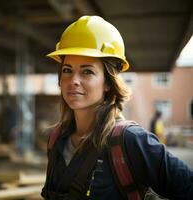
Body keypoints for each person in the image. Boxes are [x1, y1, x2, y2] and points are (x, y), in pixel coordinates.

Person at [41, 16, 193, 200]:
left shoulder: (130, 141)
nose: (73, 80)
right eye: (67, 70)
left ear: (108, 83)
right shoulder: (57, 139)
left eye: (87, 71)